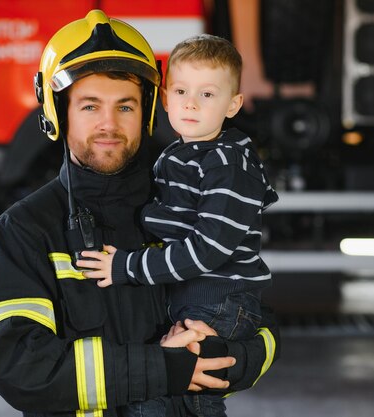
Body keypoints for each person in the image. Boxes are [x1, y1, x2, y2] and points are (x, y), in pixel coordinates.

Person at [0, 10, 279, 417]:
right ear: (57, 113)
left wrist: (216, 353)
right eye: (89, 107)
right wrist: (165, 368)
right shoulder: (25, 229)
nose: (109, 124)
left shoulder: (179, 208)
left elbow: (259, 324)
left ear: (149, 111)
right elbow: (20, 370)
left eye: (125, 107)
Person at [76, 34, 278, 417]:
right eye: (182, 90)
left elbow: (209, 249)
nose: (190, 102)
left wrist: (126, 268)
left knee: (196, 391)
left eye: (207, 94)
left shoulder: (228, 164)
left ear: (233, 105)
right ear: (165, 97)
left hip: (218, 298)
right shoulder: (179, 154)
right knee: (175, 390)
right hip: (194, 295)